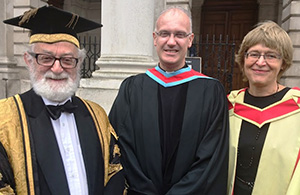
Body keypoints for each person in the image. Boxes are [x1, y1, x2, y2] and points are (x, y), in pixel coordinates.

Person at [0, 5, 124, 195]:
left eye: (67, 60)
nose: (57, 69)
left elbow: (114, 174)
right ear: (29, 60)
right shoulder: (4, 120)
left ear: (79, 63)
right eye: (46, 58)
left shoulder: (97, 115)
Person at [109, 7, 229, 195]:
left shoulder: (211, 91)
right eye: (164, 34)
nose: (171, 42)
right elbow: (120, 145)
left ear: (190, 40)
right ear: (155, 38)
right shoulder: (132, 88)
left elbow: (211, 156)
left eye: (180, 35)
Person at [227, 20, 300, 195]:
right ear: (243, 59)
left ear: (283, 63)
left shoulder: (296, 108)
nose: (260, 62)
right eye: (253, 54)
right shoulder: (229, 106)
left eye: (271, 55)